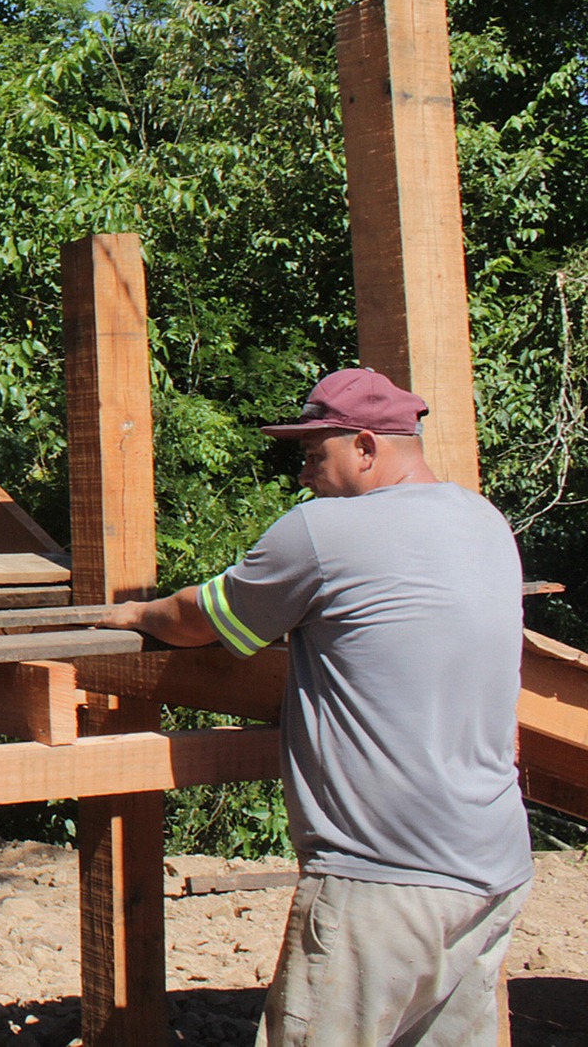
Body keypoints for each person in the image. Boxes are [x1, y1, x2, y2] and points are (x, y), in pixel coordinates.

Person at [99, 367, 531, 1047]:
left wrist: (130, 611)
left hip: (383, 878)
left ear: (364, 446)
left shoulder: (326, 532)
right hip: (495, 866)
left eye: (312, 455)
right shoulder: (482, 520)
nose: (302, 475)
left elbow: (199, 619)